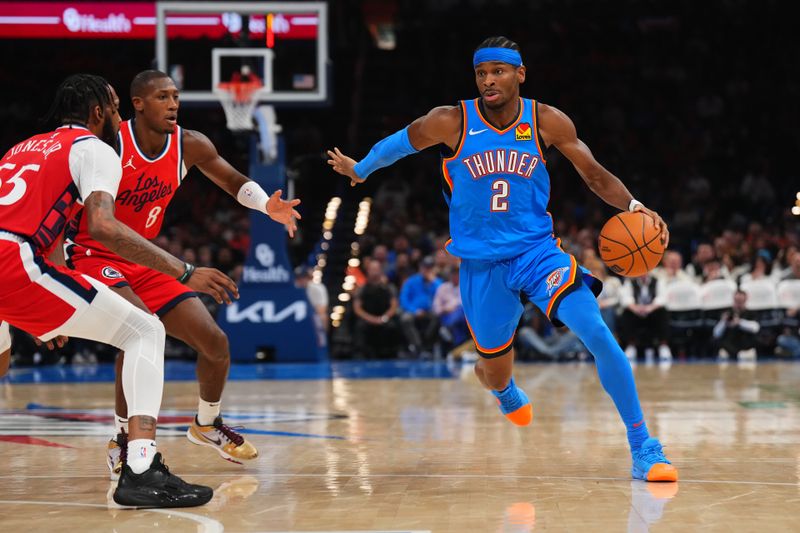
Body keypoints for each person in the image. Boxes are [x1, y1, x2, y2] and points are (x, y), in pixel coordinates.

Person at [327, 36, 677, 481]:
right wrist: (361, 168)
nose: (489, 80)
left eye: (498, 71)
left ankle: (643, 446)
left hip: (538, 253)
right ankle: (503, 387)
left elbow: (591, 172)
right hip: (481, 266)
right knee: (493, 369)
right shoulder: (450, 121)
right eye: (481, 73)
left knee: (596, 331)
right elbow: (400, 142)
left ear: (519, 74)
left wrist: (632, 206)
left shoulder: (546, 120)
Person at [0, 73, 235, 507]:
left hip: (15, 266)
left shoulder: (22, 147)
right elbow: (103, 227)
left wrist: (31, 308)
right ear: (98, 112)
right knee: (145, 331)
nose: (119, 116)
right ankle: (140, 464)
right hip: (16, 262)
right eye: (114, 107)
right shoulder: (95, 149)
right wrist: (182, 270)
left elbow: (38, 221)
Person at [63, 70, 301, 476]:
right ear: (137, 104)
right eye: (162, 97)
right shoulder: (107, 145)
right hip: (90, 253)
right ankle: (123, 438)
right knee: (135, 331)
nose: (173, 104)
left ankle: (206, 424)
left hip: (145, 258)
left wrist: (266, 206)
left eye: (175, 96)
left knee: (215, 343)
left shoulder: (189, 144)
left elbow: (232, 181)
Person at [618, 273, 673, 364]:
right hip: (636, 312)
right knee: (626, 313)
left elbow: (662, 298)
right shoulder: (630, 282)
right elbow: (626, 299)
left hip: (653, 312)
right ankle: (631, 345)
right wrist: (636, 308)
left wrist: (650, 308)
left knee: (663, 312)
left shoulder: (658, 281)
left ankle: (663, 346)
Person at [351, 259, 401, 358]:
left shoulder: (389, 288)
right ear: (368, 271)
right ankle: (360, 354)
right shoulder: (362, 289)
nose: (374, 272)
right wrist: (371, 319)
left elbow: (394, 306)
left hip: (384, 318)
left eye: (376, 269)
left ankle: (391, 354)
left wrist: (383, 318)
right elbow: (357, 308)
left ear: (380, 271)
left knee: (393, 326)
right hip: (367, 319)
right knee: (359, 326)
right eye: (372, 269)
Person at [398, 255, 443, 357]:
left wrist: (433, 281)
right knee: (405, 319)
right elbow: (403, 300)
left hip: (430, 311)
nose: (427, 270)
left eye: (430, 267)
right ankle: (418, 347)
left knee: (437, 317)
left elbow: (443, 293)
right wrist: (414, 311)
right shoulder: (411, 281)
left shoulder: (436, 282)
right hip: (414, 311)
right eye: (425, 267)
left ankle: (427, 346)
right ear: (420, 267)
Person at [712, 290, 760, 361]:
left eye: (741, 301)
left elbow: (756, 328)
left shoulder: (751, 313)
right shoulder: (727, 314)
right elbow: (716, 334)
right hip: (729, 347)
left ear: (745, 300)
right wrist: (723, 322)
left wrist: (739, 322)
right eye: (736, 301)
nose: (738, 304)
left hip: (745, 347)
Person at [294, 265, 329, 332]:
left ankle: (320, 340)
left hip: (312, 317)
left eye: (303, 277)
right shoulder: (292, 290)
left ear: (309, 278)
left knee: (323, 316)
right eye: (298, 278)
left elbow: (322, 309)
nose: (301, 280)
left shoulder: (318, 288)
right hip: (295, 317)